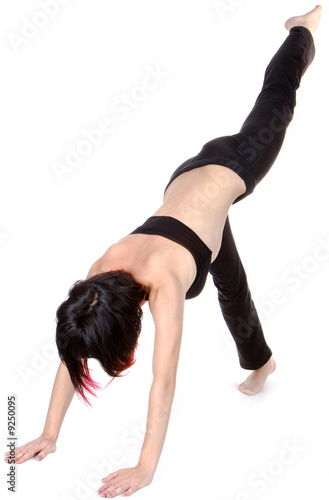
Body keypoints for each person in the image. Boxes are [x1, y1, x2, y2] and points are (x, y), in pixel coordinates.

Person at [4, 5, 323, 498]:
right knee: (229, 282)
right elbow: (72, 353)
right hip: (188, 187)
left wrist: (144, 468)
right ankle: (261, 363)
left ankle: (303, 29)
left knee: (277, 97)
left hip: (237, 161)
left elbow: (162, 383)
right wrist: (50, 434)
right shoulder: (99, 274)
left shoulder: (165, 286)